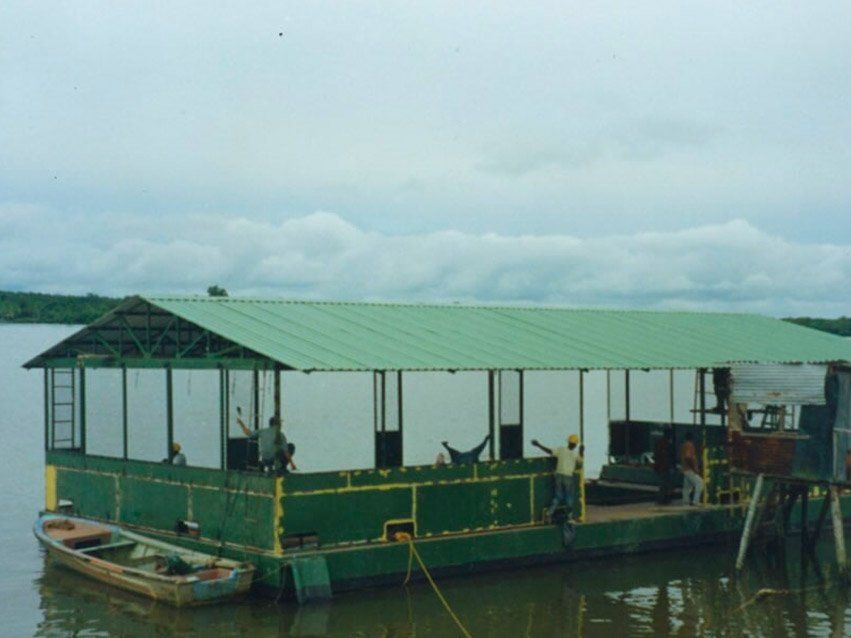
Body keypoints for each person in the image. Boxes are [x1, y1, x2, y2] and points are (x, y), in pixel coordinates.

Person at [532, 434, 584, 520]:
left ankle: (549, 513)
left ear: (568, 442)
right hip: (568, 476)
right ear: (575, 445)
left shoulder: (561, 450)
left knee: (558, 496)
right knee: (569, 497)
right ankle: (569, 517)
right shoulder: (575, 454)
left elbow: (549, 451)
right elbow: (580, 463)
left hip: (558, 475)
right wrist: (581, 452)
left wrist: (538, 445)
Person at [237, 408, 297, 474]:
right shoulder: (280, 435)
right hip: (274, 459)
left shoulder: (263, 431)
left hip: (264, 459)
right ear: (277, 424)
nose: (281, 425)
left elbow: (249, 433)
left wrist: (241, 423)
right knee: (290, 446)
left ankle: (267, 467)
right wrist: (292, 464)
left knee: (274, 448)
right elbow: (286, 452)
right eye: (280, 423)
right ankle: (282, 468)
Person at [680, 432, 703, 505]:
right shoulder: (689, 445)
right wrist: (694, 468)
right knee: (700, 483)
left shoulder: (684, 445)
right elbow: (688, 457)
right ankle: (695, 501)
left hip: (685, 468)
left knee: (687, 487)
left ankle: (685, 502)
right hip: (690, 469)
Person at [653, 428, 673, 505]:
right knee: (665, 484)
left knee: (664, 483)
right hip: (664, 467)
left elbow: (656, 455)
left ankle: (663, 499)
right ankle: (662, 499)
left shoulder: (659, 442)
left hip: (660, 466)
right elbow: (667, 456)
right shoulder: (666, 443)